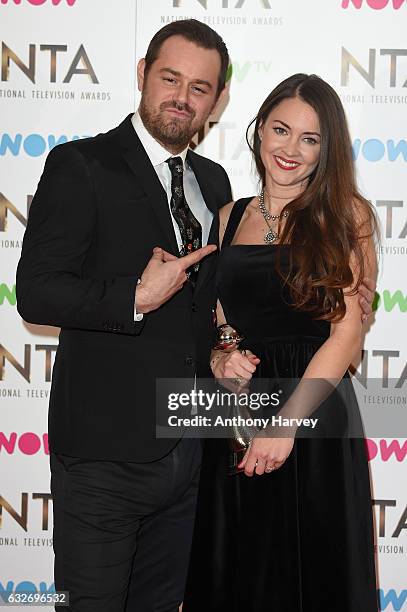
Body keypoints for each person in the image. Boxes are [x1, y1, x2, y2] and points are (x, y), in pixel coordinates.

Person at [16, 19, 232, 612]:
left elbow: (205, 306)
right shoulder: (82, 165)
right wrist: (134, 297)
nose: (181, 98)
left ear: (217, 100)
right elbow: (35, 292)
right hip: (103, 459)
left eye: (199, 88)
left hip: (187, 454)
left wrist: (222, 345)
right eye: (170, 78)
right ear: (141, 74)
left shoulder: (215, 183)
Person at [183, 74, 378, 611]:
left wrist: (286, 425)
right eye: (280, 130)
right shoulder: (228, 217)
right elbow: (219, 319)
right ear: (259, 130)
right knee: (240, 572)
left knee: (314, 575)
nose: (290, 149)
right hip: (238, 419)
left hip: (313, 413)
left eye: (309, 139)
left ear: (326, 149)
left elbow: (347, 333)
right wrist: (221, 353)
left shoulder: (347, 215)